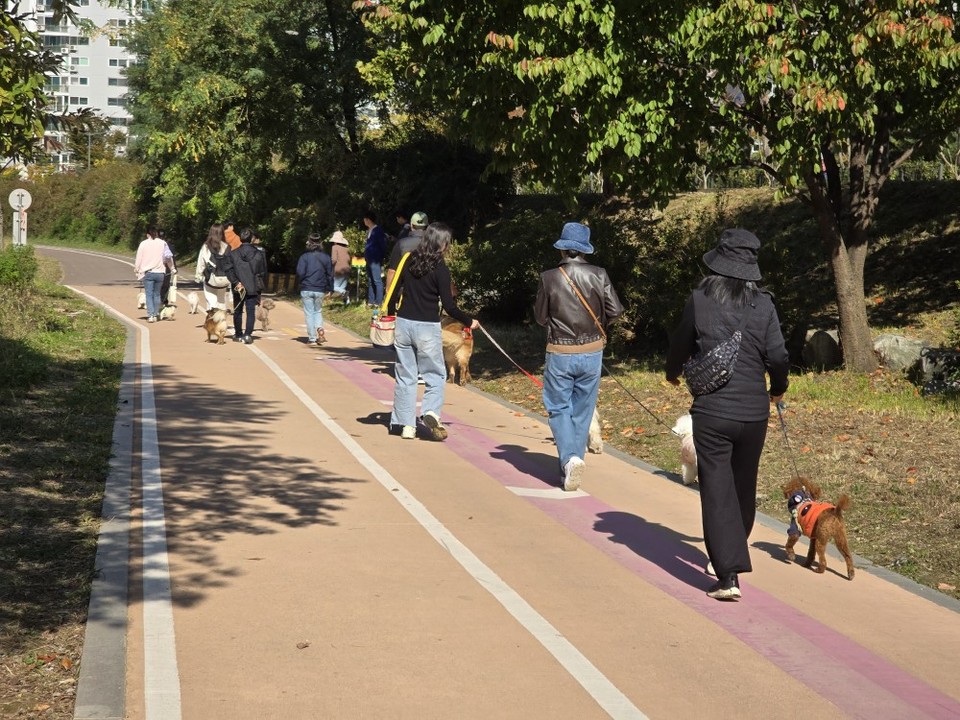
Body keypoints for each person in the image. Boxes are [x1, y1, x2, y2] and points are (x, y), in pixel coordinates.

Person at [665, 228, 790, 602]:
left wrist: (673, 372)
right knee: (742, 485)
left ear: (719, 262)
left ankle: (728, 573)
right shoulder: (764, 305)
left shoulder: (700, 298)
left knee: (717, 489)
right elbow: (779, 356)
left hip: (713, 411)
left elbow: (680, 342)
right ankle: (730, 552)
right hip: (754, 412)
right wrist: (778, 388)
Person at [534, 222, 623, 492]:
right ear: (584, 250)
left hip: (560, 351)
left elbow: (540, 317)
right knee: (583, 408)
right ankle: (574, 461)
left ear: (562, 250)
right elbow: (616, 310)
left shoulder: (549, 277)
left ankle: (570, 459)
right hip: (592, 351)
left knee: (559, 406)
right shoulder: (600, 274)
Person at [387, 222, 479, 441]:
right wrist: (469, 320)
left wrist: (391, 314)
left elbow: (392, 292)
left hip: (404, 324)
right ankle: (430, 412)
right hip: (427, 327)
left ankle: (406, 425)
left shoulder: (409, 259)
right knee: (436, 375)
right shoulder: (440, 268)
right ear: (442, 243)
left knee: (405, 376)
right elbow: (449, 306)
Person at [221, 227, 268, 344]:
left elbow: (228, 270)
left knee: (238, 310)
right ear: (252, 239)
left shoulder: (233, 254)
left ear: (241, 238)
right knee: (250, 311)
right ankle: (248, 334)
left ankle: (238, 334)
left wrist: (236, 282)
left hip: (238, 286)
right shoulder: (259, 254)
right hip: (253, 285)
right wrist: (260, 288)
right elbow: (262, 272)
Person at [296, 232, 334, 345]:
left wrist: (300, 283)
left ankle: (312, 338)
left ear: (309, 243)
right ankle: (320, 329)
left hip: (307, 288)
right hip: (320, 289)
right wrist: (330, 289)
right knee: (318, 311)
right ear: (320, 243)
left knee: (309, 313)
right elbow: (330, 275)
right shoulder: (326, 257)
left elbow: (300, 272)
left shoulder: (304, 257)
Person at [134, 227, 175, 323]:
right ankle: (156, 314)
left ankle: (150, 315)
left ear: (147, 234)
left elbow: (139, 258)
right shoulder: (163, 243)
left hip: (148, 272)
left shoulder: (143, 244)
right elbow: (168, 257)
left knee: (149, 294)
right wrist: (172, 268)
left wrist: (137, 269)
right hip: (160, 272)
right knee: (157, 294)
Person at [385, 210, 428, 289]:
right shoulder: (433, 245)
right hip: (428, 291)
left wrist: (388, 291)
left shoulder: (401, 244)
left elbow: (392, 271)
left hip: (406, 290)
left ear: (411, 225)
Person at [194, 224, 230, 311]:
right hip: (224, 278)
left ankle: (213, 317)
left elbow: (201, 263)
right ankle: (221, 319)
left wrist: (198, 276)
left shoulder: (206, 246)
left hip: (211, 278)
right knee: (221, 300)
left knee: (211, 299)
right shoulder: (227, 246)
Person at [362, 210, 387, 307]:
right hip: (369, 259)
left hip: (375, 259)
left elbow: (383, 245)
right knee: (370, 280)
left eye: (364, 219)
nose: (364, 221)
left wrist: (380, 257)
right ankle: (371, 301)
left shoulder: (378, 230)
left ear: (368, 219)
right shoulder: (369, 230)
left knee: (377, 280)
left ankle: (378, 302)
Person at [330, 230, 351, 303]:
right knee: (342, 288)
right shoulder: (347, 248)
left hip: (338, 270)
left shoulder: (334, 247)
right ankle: (347, 304)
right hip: (347, 269)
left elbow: (334, 259)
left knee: (333, 286)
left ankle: (345, 293)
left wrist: (330, 266)